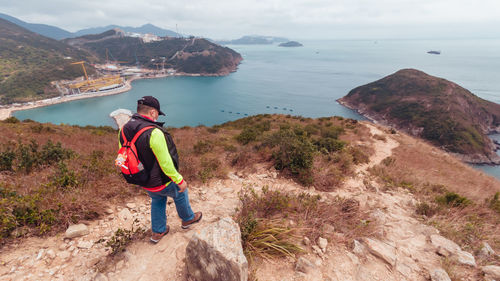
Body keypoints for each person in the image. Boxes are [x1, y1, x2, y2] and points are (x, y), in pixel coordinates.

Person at [119, 96, 202, 243]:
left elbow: (124, 154)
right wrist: (179, 180)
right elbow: (165, 162)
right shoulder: (154, 132)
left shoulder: (124, 130)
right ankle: (188, 219)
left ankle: (158, 231)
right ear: (152, 112)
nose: (157, 116)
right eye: (157, 113)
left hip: (143, 179)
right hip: (161, 180)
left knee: (157, 200)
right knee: (180, 193)